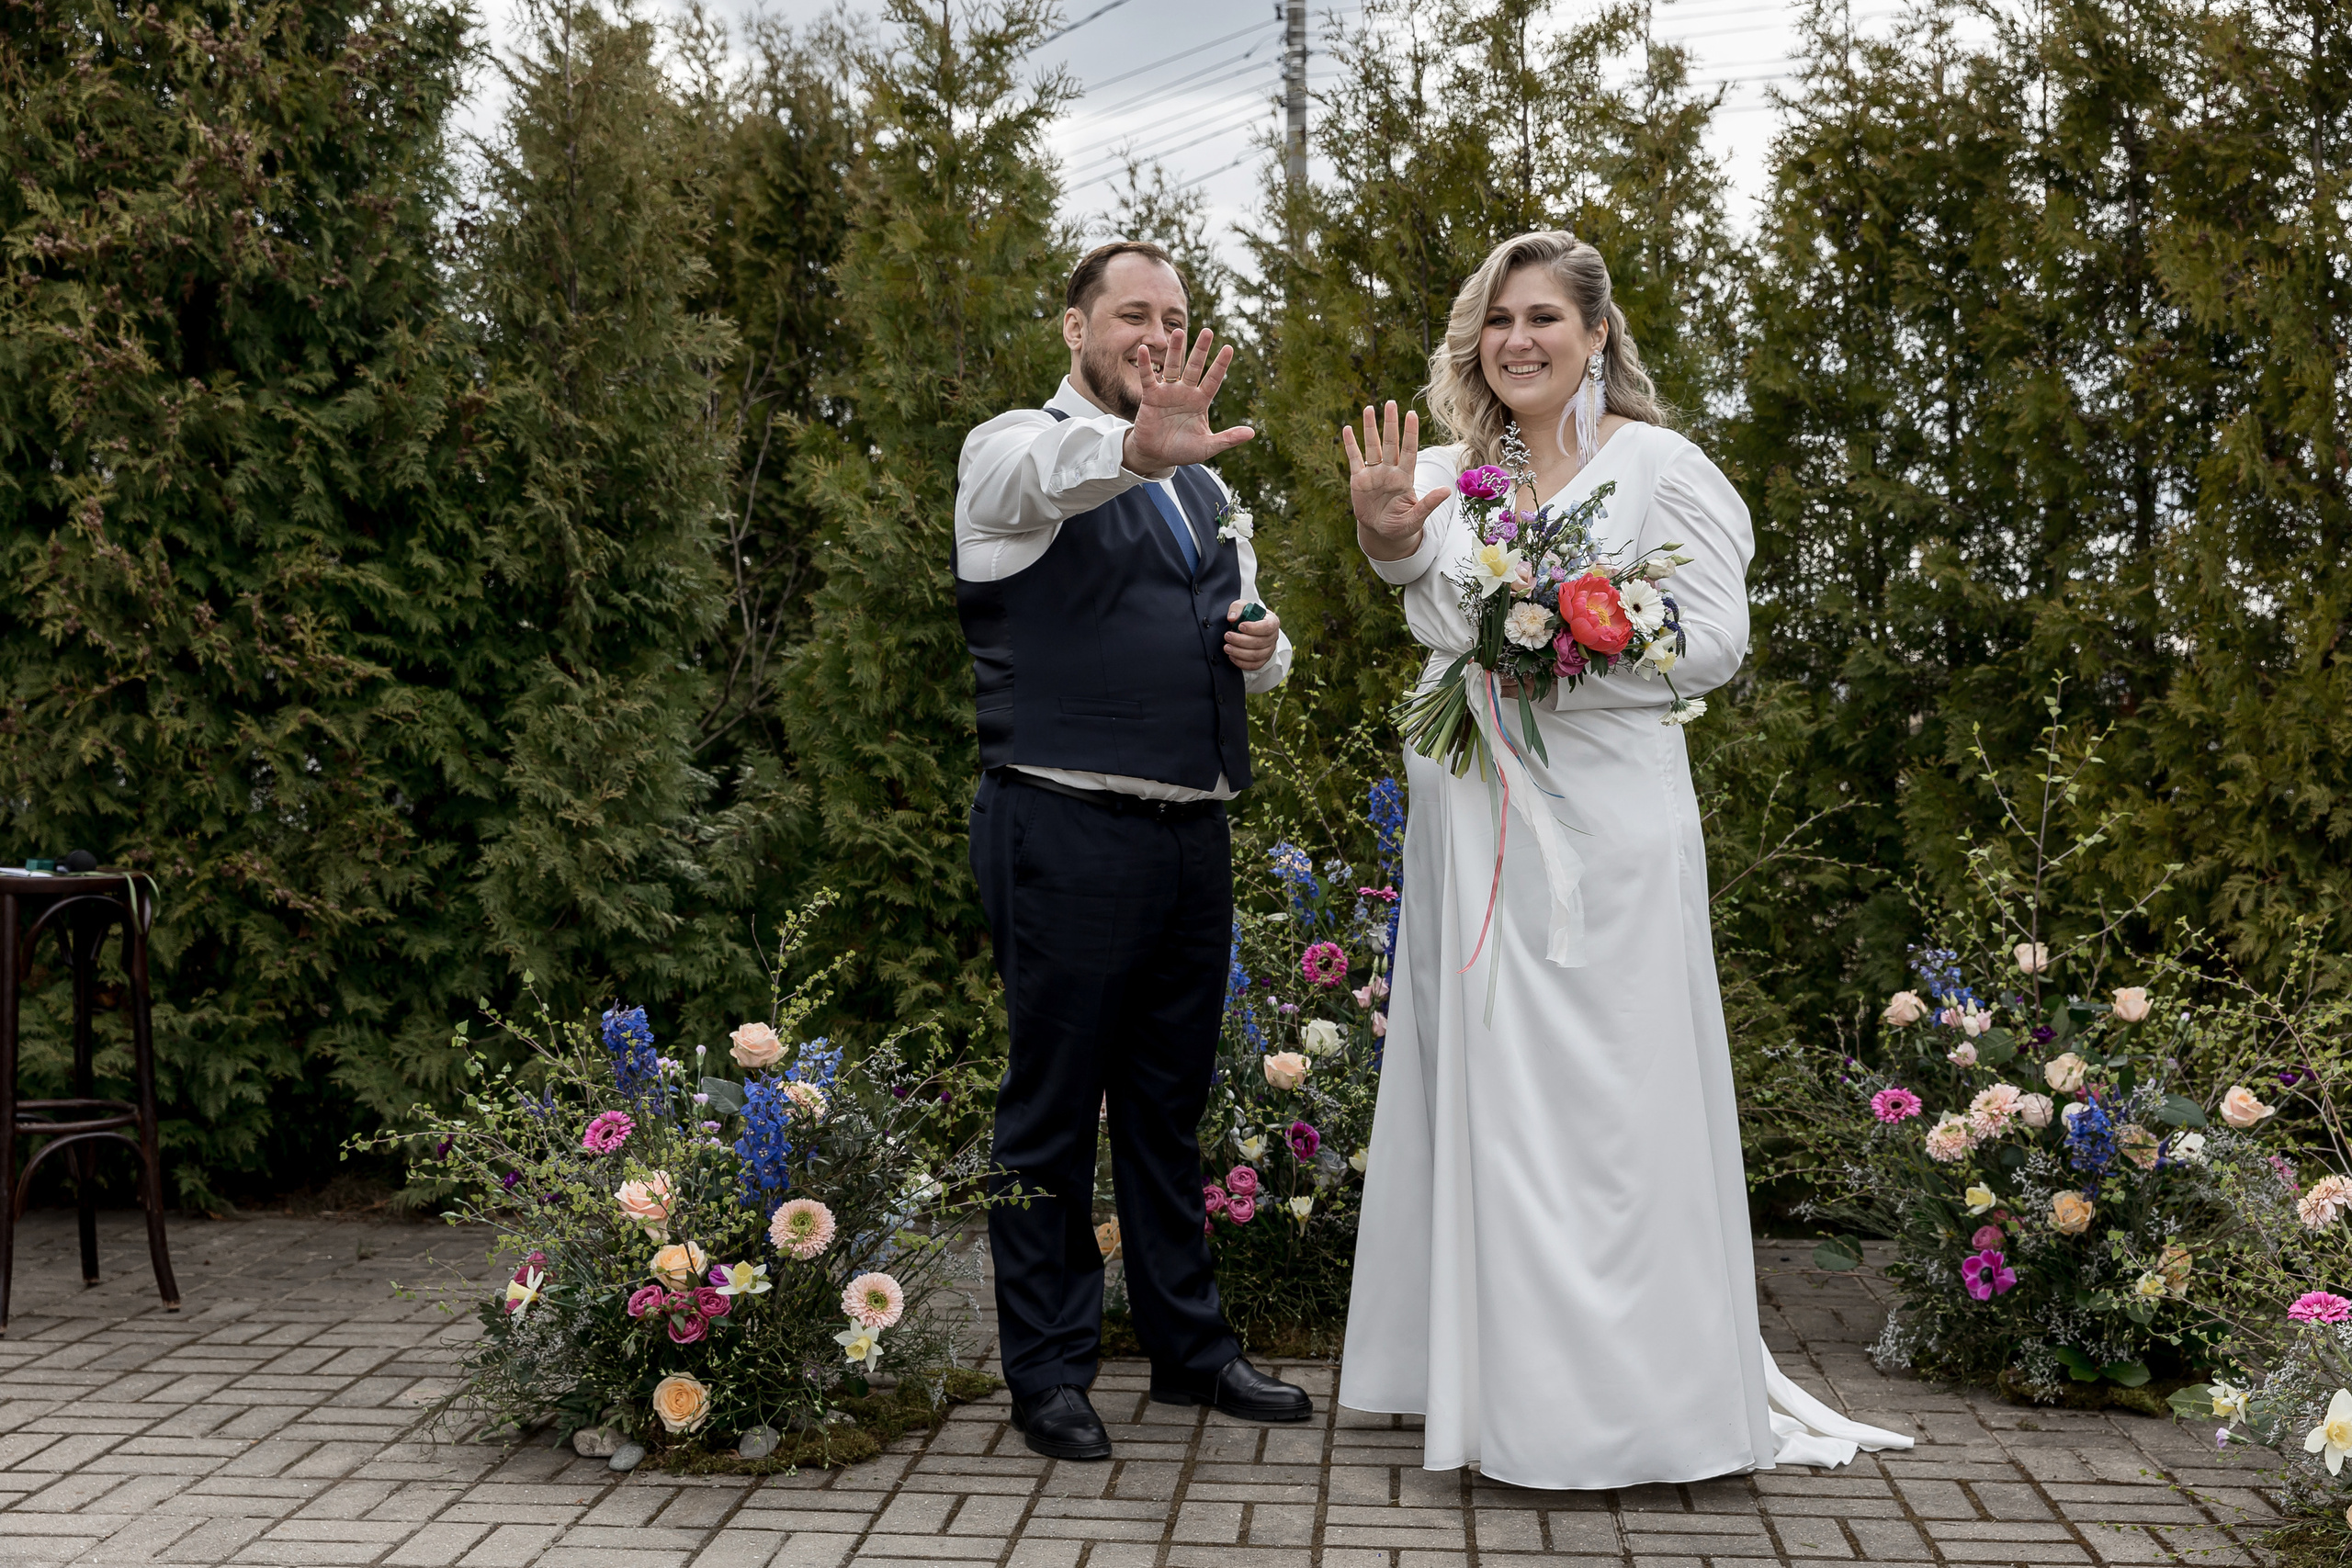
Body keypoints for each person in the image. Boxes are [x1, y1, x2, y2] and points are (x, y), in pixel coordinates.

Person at [1337, 231, 1909, 1486]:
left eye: (1544, 316)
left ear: (1597, 335)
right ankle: (1487, 1384)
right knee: (1485, 1087)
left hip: (1613, 816)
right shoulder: (1448, 469)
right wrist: (1391, 539)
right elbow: (1436, 612)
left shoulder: (1662, 465)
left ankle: (1627, 1394)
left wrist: (1574, 638)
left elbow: (1711, 642)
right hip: (1479, 810)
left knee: (1612, 1093)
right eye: (1497, 320)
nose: (1518, 340)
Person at [956, 241, 1315, 1461]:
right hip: (1061, 821)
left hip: (1188, 834)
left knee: (1169, 1110)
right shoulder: (1012, 449)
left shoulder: (1208, 489)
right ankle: (1047, 1373)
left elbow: (1236, 631)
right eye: (1130, 315)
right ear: (1075, 328)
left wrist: (1266, 652)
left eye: (1174, 316)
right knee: (1050, 1115)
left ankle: (1189, 1353)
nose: (1155, 335)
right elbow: (1051, 481)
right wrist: (1131, 450)